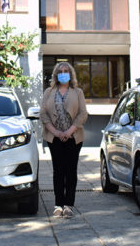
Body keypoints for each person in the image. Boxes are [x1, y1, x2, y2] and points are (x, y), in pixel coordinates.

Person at [40, 61, 88, 218]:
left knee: (71, 171)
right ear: (55, 74)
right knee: (58, 171)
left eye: (66, 70)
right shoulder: (49, 92)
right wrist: (55, 131)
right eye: (60, 70)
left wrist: (69, 131)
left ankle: (68, 205)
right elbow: (43, 114)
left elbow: (83, 114)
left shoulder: (78, 92)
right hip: (54, 138)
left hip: (74, 137)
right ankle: (58, 205)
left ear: (71, 74)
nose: (63, 73)